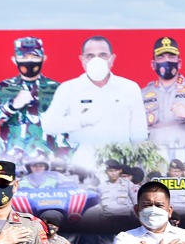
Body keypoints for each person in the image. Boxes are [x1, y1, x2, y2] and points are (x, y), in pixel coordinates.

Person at [40, 35, 148, 168]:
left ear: (112, 59)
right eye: (90, 56)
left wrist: (138, 167)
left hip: (120, 166)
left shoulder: (129, 88)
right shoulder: (69, 88)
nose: (97, 60)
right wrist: (79, 121)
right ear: (82, 60)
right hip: (83, 167)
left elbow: (139, 134)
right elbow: (48, 125)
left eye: (103, 55)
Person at [0, 36, 63, 161]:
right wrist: (12, 105)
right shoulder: (2, 87)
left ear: (43, 58)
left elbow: (69, 127)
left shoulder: (58, 89)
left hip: (47, 162)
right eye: (23, 57)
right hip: (11, 161)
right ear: (14, 60)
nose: (29, 61)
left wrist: (64, 158)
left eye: (34, 57)